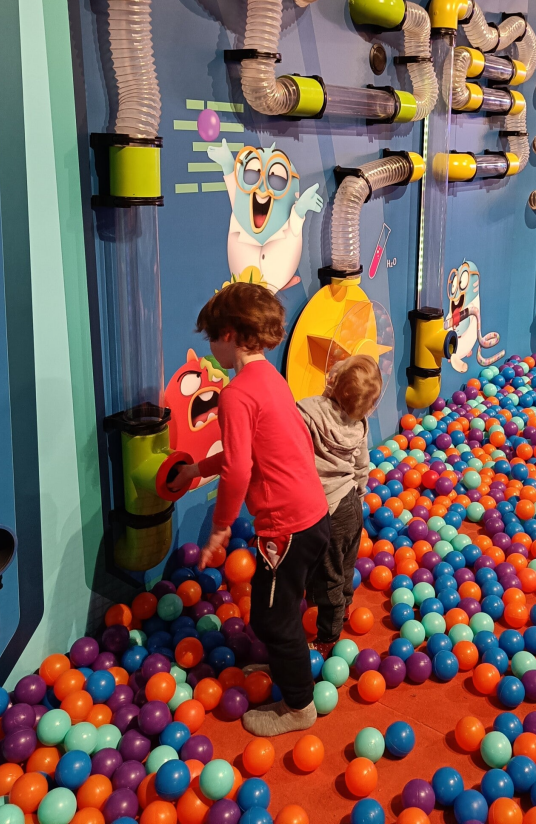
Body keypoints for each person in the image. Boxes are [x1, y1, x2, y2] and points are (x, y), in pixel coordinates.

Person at [169, 282, 329, 737]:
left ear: (229, 335)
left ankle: (298, 706)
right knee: (275, 607)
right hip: (311, 515)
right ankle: (284, 657)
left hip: (286, 527)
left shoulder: (237, 394)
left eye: (211, 337)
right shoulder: (270, 380)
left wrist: (221, 527)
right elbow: (248, 452)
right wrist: (196, 468)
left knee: (272, 618)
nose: (211, 347)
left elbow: (239, 470)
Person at [298, 355, 382, 659]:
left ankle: (328, 637)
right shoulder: (358, 424)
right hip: (350, 504)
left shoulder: (309, 412)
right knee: (345, 565)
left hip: (326, 510)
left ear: (332, 381)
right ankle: (344, 606)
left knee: (328, 576)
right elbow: (362, 465)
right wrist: (360, 493)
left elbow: (290, 430)